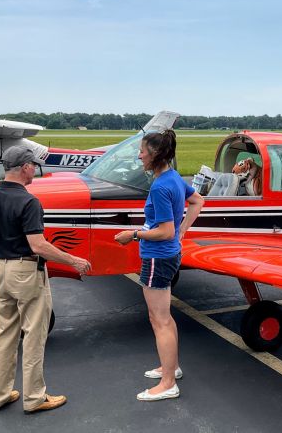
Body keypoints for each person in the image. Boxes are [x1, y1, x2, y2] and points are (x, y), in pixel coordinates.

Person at [0, 146, 91, 414]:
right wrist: (74, 260)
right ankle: (34, 397)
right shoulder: (29, 202)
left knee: (4, 333)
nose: (34, 169)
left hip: (0, 269)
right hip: (26, 272)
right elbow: (38, 245)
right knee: (33, 335)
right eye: (32, 165)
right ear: (25, 167)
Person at [114, 130, 204, 401]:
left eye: (142, 150)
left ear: (154, 154)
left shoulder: (161, 186)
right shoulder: (173, 178)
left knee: (159, 320)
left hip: (158, 256)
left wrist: (133, 235)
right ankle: (171, 368)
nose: (139, 155)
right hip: (167, 254)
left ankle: (167, 384)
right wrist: (183, 230)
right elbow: (198, 200)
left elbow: (164, 231)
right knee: (164, 317)